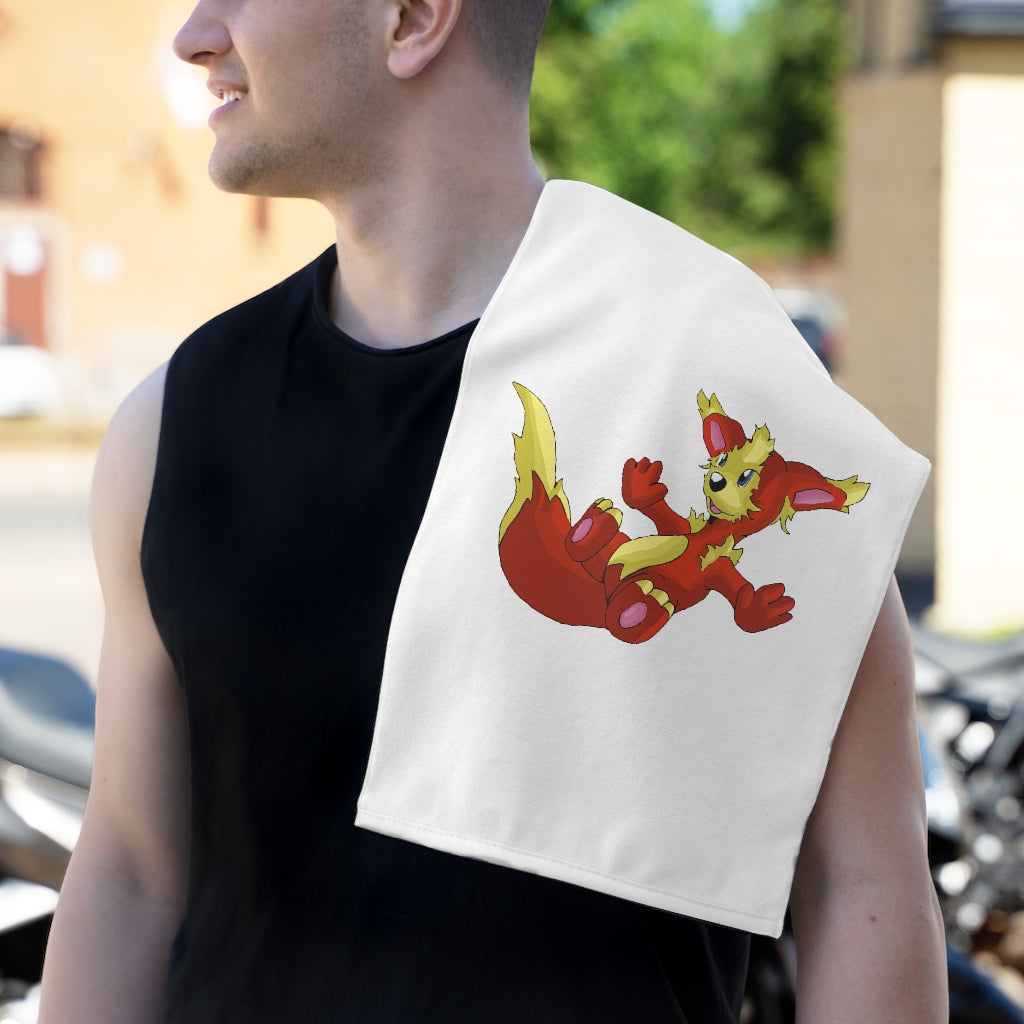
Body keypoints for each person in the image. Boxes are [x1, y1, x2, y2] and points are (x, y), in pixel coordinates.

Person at [38, 0, 947, 1020]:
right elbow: (129, 873)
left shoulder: (722, 380)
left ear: (413, 18)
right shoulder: (173, 425)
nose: (197, 34)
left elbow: (859, 885)